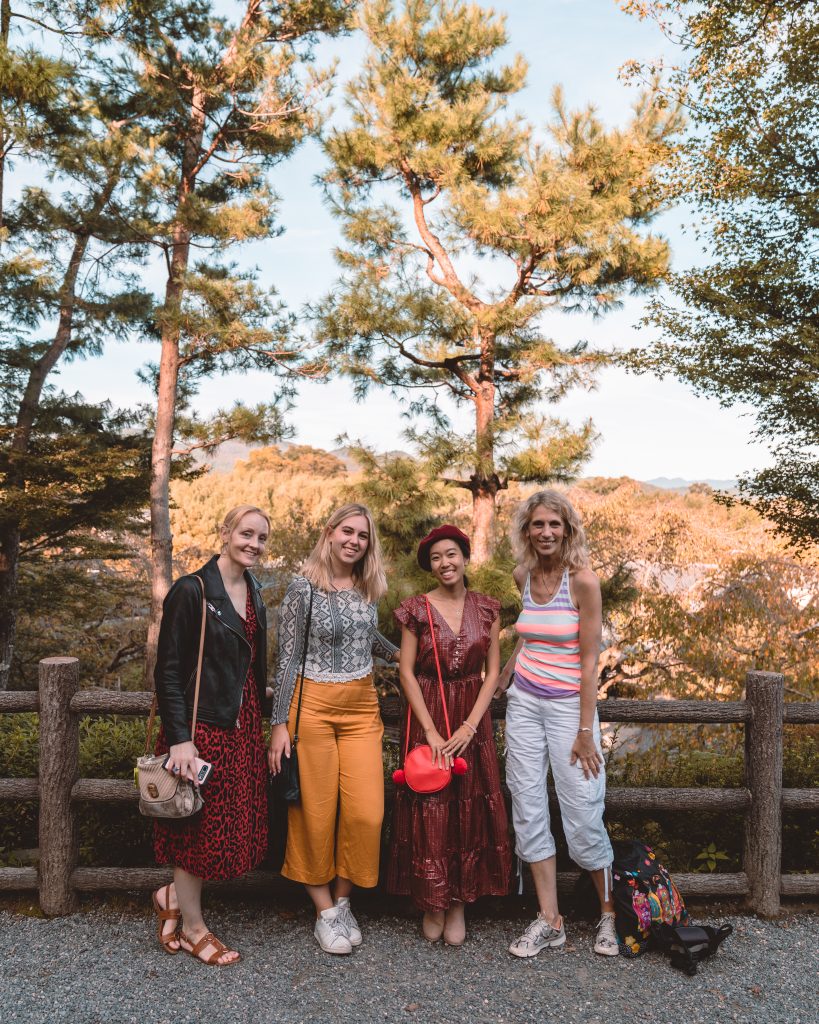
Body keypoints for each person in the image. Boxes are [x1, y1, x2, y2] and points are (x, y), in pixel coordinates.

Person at [268, 503, 398, 955]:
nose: (354, 541)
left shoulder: (368, 587)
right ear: (329, 533)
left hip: (362, 707)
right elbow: (286, 659)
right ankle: (324, 911)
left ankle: (343, 902)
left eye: (362, 536)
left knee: (367, 813)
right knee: (315, 813)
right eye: (347, 531)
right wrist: (279, 723)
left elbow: (368, 639)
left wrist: (405, 654)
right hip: (313, 705)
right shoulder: (304, 588)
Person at [497, 490, 618, 958]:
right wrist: (509, 667)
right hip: (525, 704)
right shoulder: (522, 575)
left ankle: (609, 914)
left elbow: (590, 661)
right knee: (527, 806)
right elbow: (532, 632)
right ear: (526, 530)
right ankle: (550, 920)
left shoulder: (582, 581)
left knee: (583, 810)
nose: (546, 533)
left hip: (571, 709)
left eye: (555, 524)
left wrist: (586, 730)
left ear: (568, 530)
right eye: (537, 525)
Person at [151, 504, 271, 966]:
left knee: (220, 829)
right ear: (226, 533)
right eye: (246, 533)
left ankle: (171, 896)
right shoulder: (192, 590)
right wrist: (180, 738)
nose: (254, 544)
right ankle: (194, 929)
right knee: (195, 830)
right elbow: (168, 670)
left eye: (262, 538)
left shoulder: (254, 592)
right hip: (200, 732)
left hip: (239, 731)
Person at [387, 525, 512, 945]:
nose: (445, 563)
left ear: (465, 557)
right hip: (428, 713)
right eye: (437, 557)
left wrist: (470, 725)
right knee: (431, 807)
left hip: (471, 718)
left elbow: (492, 672)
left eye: (452, 554)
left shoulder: (488, 608)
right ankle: (433, 901)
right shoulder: (416, 610)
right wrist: (430, 731)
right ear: (430, 565)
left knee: (467, 808)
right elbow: (405, 670)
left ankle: (459, 901)